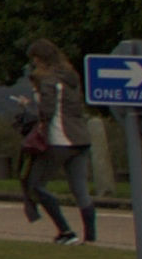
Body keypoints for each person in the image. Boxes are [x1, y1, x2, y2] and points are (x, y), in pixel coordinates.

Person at [14, 63, 90, 243]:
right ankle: (90, 236)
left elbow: (46, 116)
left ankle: (66, 230)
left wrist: (28, 111)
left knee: (34, 184)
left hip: (57, 143)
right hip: (79, 141)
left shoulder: (48, 92)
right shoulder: (70, 92)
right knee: (80, 189)